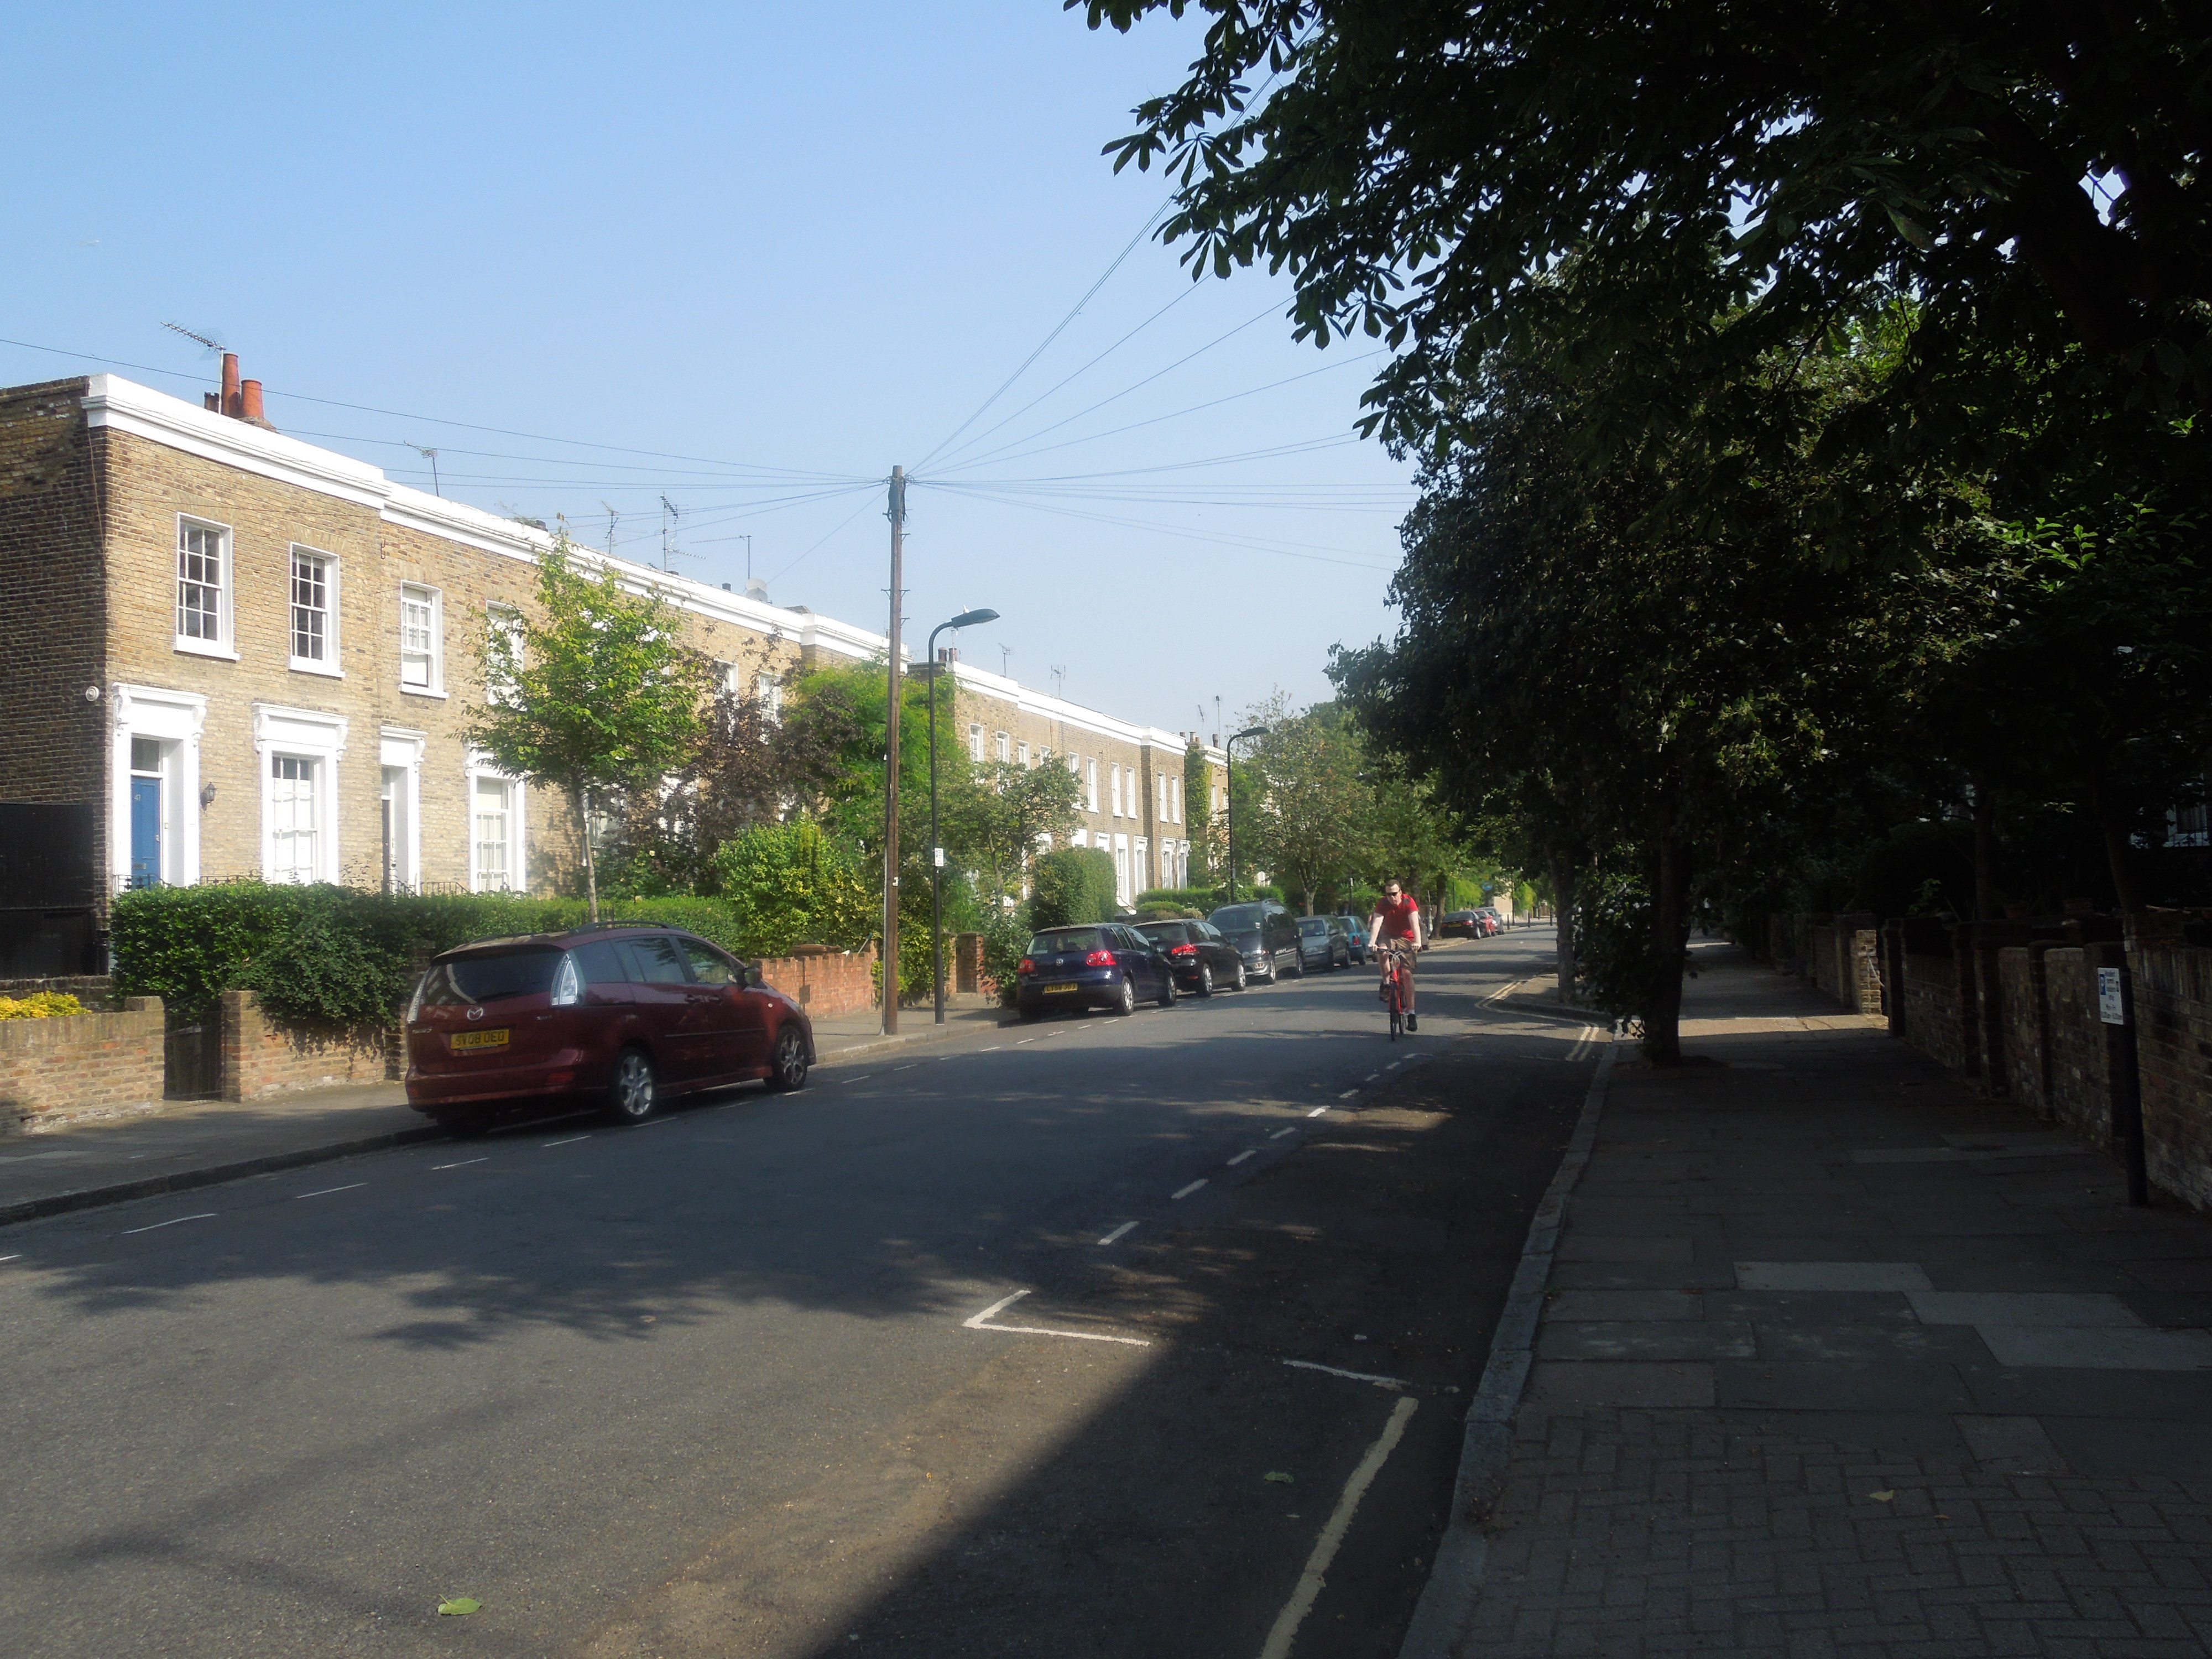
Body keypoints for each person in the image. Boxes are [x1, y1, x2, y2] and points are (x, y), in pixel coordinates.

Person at [1366, 879, 1424, 1031]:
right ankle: (1386, 983)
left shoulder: (1408, 903)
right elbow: (1377, 922)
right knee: (1382, 951)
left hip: (1407, 938)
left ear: (1400, 892)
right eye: (1388, 894)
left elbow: (1415, 924)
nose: (1391, 897)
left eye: (1394, 894)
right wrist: (1372, 942)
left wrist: (1418, 942)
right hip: (1389, 936)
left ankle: (1411, 1014)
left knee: (1407, 974)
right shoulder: (1383, 904)